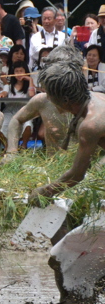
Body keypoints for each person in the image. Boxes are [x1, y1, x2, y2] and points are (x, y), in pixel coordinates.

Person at [27, 60, 105, 205]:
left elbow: (76, 175)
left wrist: (44, 192)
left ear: (64, 100)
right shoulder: (93, 97)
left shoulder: (90, 125)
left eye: (49, 95)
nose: (48, 99)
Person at [3, 45, 85, 159]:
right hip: (54, 167)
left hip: (87, 169)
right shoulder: (43, 100)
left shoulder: (94, 103)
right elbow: (16, 120)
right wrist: (11, 151)